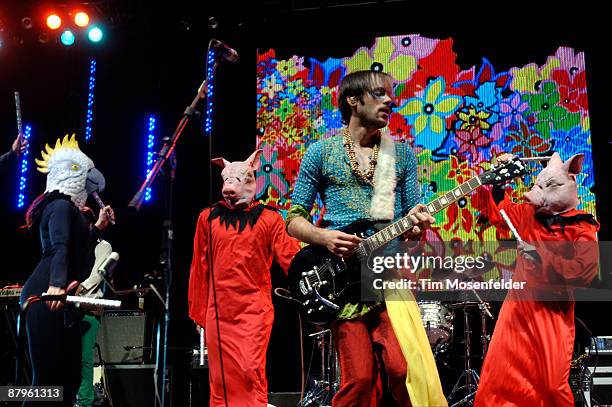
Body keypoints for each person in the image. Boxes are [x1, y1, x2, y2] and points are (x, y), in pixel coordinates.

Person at [286, 70, 445, 406]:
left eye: (391, 94)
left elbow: (409, 225)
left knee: (403, 371)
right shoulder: (321, 152)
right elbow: (294, 220)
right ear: (353, 101)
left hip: (388, 274)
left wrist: (417, 229)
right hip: (342, 279)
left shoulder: (400, 155)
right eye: (379, 94)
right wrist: (325, 237)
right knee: (358, 379)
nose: (390, 100)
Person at [474, 152, 600, 407]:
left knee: (552, 384)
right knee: (501, 377)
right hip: (518, 309)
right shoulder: (530, 215)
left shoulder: (582, 227)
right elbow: (501, 213)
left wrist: (542, 256)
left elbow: (583, 272)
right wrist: (499, 180)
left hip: (552, 315)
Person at [188, 150, 301, 407]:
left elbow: (291, 258)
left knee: (250, 371)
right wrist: (199, 314)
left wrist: (315, 273)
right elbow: (200, 268)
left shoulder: (269, 218)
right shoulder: (207, 219)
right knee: (220, 380)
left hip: (254, 312)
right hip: (219, 314)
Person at [21, 134, 114, 406]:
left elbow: (77, 246)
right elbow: (60, 245)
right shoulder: (60, 205)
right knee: (47, 380)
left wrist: (97, 226)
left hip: (59, 295)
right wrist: (57, 284)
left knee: (69, 378)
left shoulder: (67, 209)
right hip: (46, 293)